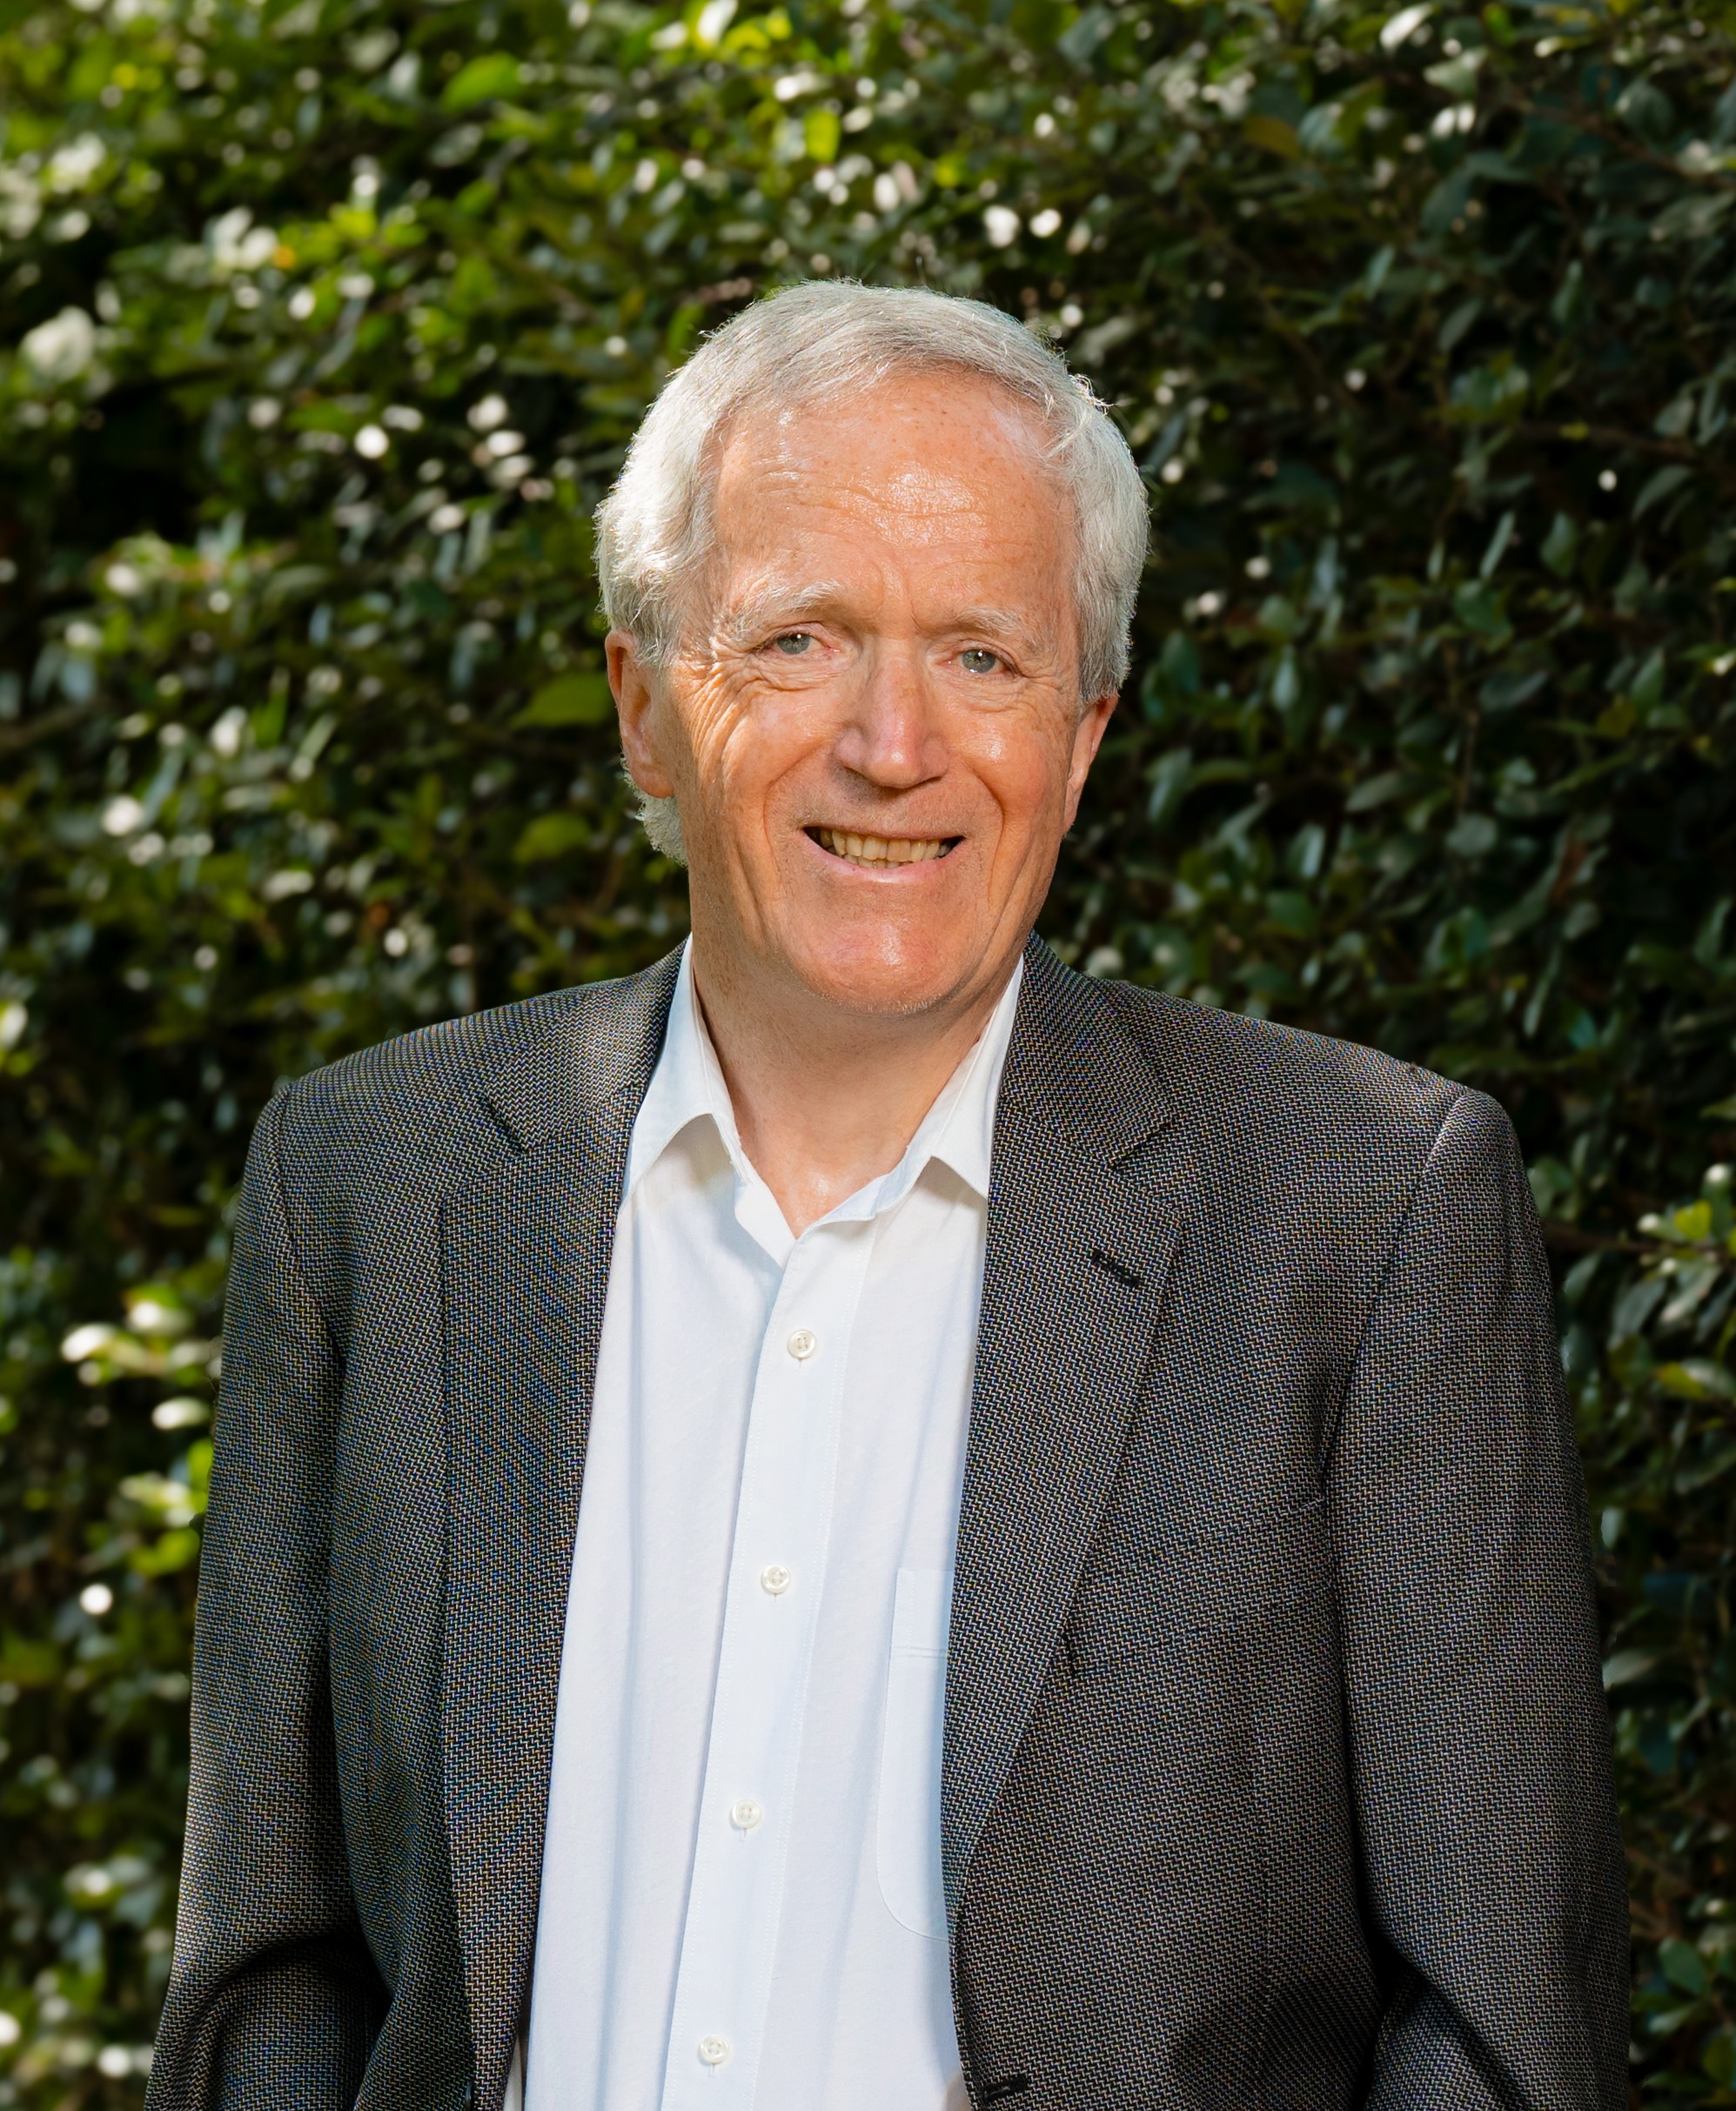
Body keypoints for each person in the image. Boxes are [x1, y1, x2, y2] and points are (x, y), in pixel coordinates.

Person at [146, 282, 1627, 2111]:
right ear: (641, 707)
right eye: (796, 642)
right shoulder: (370, 1181)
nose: (893, 743)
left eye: (982, 657)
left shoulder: (1358, 1209)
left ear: (1080, 734)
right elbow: (272, 1978)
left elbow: (1491, 2031)